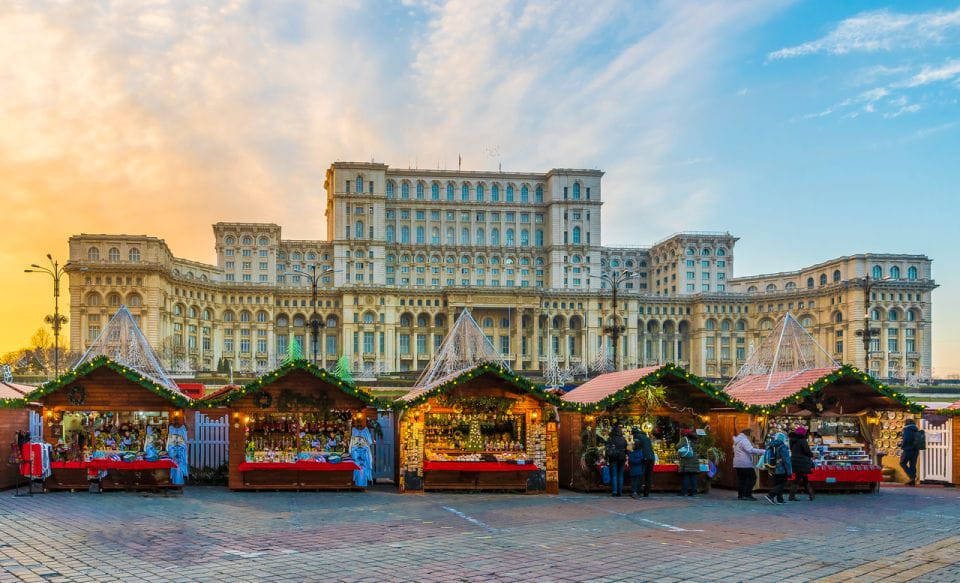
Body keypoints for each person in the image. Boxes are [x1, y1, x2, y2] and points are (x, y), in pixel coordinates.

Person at [732, 428, 766, 500]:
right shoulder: (744, 440)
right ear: (749, 433)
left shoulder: (738, 440)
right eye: (752, 433)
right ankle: (747, 494)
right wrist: (763, 451)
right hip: (745, 463)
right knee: (752, 478)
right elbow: (750, 450)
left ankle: (741, 495)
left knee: (742, 479)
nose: (753, 435)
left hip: (738, 463)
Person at [764, 432, 792, 505]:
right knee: (782, 484)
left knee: (778, 483)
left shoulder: (772, 445)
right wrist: (789, 471)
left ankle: (780, 499)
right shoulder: (783, 447)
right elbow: (786, 460)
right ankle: (770, 495)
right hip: (782, 468)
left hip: (774, 467)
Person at [788, 426, 815, 501]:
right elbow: (806, 451)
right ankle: (792, 496)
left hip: (795, 461)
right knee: (798, 479)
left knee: (803, 478)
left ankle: (811, 495)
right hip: (802, 462)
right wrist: (812, 455)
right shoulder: (802, 440)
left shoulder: (792, 440)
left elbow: (792, 450)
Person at [605, 424, 627, 497]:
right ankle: (620, 491)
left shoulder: (610, 439)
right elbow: (626, 449)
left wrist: (606, 458)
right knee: (620, 475)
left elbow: (607, 449)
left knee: (614, 475)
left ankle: (614, 491)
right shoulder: (623, 439)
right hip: (622, 458)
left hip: (613, 458)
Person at [632, 427, 655, 497]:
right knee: (649, 475)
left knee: (640, 474)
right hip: (651, 457)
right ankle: (646, 492)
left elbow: (636, 447)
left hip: (644, 457)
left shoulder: (637, 436)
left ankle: (638, 491)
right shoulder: (646, 437)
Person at [677, 429, 700, 497]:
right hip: (695, 460)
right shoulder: (695, 439)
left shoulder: (685, 439)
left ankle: (683, 492)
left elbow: (678, 446)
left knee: (686, 477)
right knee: (693, 477)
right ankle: (693, 492)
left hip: (687, 460)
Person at [900, 418, 920, 486]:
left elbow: (906, 439)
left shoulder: (907, 429)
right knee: (913, 465)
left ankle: (912, 477)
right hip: (916, 450)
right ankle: (912, 481)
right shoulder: (916, 429)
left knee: (902, 463)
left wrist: (902, 445)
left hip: (908, 449)